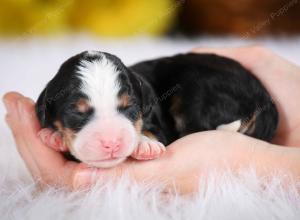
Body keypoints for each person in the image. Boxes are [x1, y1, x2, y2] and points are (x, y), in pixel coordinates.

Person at [3, 46, 300, 194]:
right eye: (79, 116)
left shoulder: (149, 93)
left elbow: (152, 124)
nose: (110, 140)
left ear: (140, 101)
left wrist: (147, 137)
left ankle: (232, 125)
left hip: (231, 94)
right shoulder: (52, 103)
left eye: (127, 110)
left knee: (194, 90)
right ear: (48, 110)